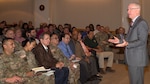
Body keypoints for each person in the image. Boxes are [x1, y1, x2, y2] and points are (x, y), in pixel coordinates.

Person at [108, 2, 149, 84]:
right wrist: (119, 41)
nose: (128, 11)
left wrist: (127, 44)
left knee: (136, 81)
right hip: (133, 58)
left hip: (137, 59)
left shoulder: (141, 23)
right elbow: (129, 39)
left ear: (138, 10)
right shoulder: (134, 22)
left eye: (131, 9)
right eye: (128, 9)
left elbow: (142, 41)